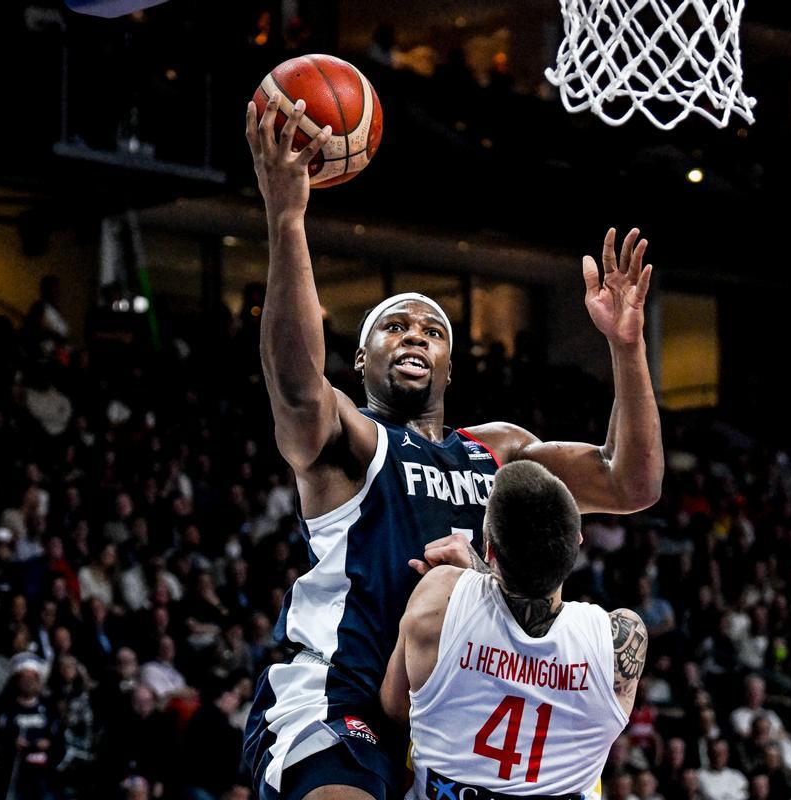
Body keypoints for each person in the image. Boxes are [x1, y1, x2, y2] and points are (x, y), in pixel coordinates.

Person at [241, 94, 664, 800]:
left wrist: (626, 348)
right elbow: (292, 385)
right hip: (344, 698)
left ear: (448, 366)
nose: (414, 335)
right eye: (394, 327)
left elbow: (633, 483)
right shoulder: (351, 440)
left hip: (455, 715)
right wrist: (288, 220)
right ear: (361, 362)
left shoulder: (499, 452)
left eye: (431, 331)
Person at [379, 462, 647, 800]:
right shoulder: (619, 636)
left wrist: (475, 572)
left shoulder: (440, 596)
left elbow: (394, 708)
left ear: (489, 549)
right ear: (577, 543)